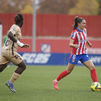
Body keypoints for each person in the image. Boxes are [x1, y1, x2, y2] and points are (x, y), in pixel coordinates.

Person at [53, 16, 100, 90]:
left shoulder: (85, 30)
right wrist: (75, 45)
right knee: (68, 71)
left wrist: (88, 42)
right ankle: (56, 81)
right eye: (83, 23)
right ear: (78, 24)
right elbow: (70, 44)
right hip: (75, 55)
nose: (85, 25)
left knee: (92, 68)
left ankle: (96, 84)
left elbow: (85, 38)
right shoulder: (74, 33)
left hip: (83, 54)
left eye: (85, 23)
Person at [0, 14, 29, 93]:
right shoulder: (16, 27)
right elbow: (9, 34)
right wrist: (20, 44)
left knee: (0, 69)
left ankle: (10, 82)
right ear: (22, 21)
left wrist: (20, 44)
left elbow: (11, 36)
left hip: (5, 51)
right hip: (10, 51)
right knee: (23, 66)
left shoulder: (14, 27)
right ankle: (10, 82)